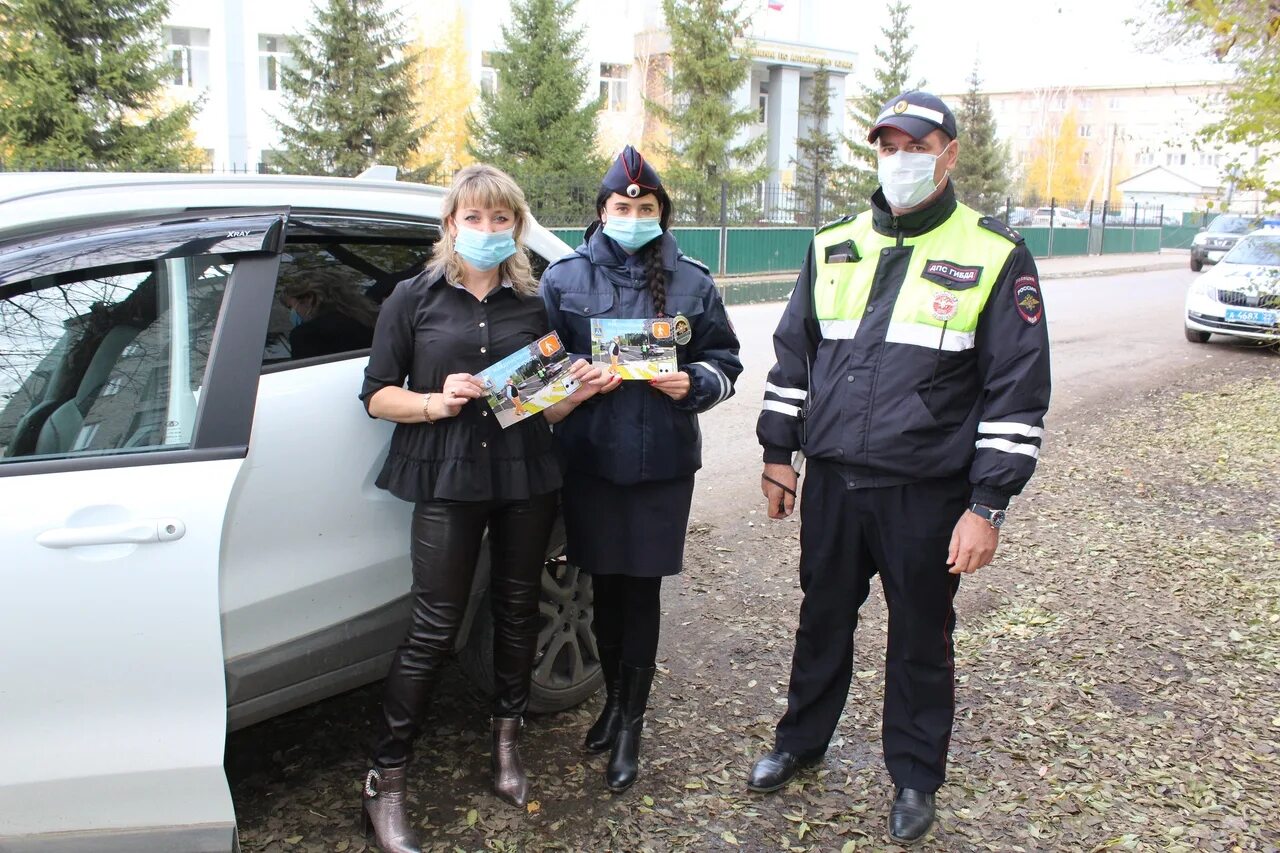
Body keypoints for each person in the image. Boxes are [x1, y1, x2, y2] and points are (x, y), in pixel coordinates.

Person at [749, 91, 1052, 844]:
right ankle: (800, 740)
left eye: (915, 146)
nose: (900, 159)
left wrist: (988, 504)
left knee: (921, 634)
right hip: (834, 486)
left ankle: (916, 775)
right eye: (887, 145)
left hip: (926, 492)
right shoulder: (833, 243)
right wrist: (777, 454)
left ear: (948, 153)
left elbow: (1018, 390)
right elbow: (795, 358)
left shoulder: (993, 250)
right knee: (821, 620)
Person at [358, 164, 606, 853]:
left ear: (516, 227)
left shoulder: (534, 302)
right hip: (445, 469)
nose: (489, 230)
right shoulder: (413, 299)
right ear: (451, 224)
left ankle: (506, 744)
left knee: (517, 606)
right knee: (435, 625)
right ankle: (387, 778)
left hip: (525, 470)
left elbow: (547, 403)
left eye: (502, 220)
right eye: (476, 218)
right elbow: (378, 394)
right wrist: (436, 399)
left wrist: (584, 388)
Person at [541, 146, 742, 793]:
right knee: (601, 583)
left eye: (645, 207)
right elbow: (535, 368)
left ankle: (631, 722)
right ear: (601, 212)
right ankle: (610, 704)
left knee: (643, 590)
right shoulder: (563, 279)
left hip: (660, 464)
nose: (633, 215)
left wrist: (697, 383)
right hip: (590, 460)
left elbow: (726, 358)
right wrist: (568, 381)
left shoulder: (692, 280)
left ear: (660, 213)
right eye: (622, 206)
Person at [279, 269, 378, 359]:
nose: (292, 312)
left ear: (309, 298)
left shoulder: (307, 334)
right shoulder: (370, 323)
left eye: (290, 307)